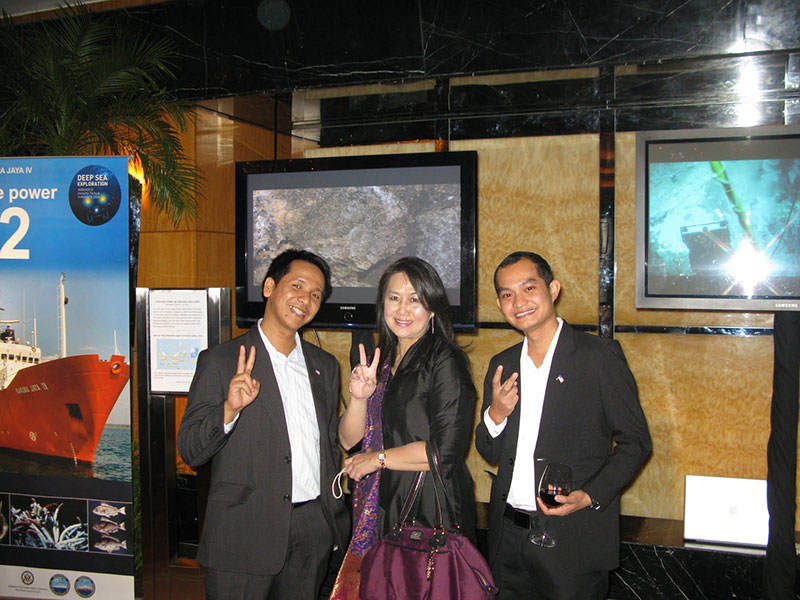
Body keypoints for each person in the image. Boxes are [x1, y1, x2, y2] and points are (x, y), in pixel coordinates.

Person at [475, 251, 651, 600]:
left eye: (529, 288)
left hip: (572, 538)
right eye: (507, 295)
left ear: (552, 289)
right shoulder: (502, 363)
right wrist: (496, 414)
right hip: (508, 538)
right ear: (499, 303)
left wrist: (590, 495)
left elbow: (636, 442)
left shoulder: (599, 357)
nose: (519, 302)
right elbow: (488, 450)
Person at [177, 249, 349, 600]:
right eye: (297, 285)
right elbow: (191, 450)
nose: (306, 299)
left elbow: (328, 444)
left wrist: (330, 523)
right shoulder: (221, 361)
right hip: (243, 533)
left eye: (316, 294)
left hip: (310, 531)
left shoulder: (325, 366)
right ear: (269, 286)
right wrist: (229, 408)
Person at [331, 257, 477, 598]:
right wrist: (358, 397)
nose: (403, 309)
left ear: (433, 308)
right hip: (379, 501)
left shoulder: (445, 361)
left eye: (415, 299)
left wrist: (377, 459)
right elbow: (349, 440)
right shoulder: (379, 359)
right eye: (394, 297)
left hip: (427, 505)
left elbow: (445, 452)